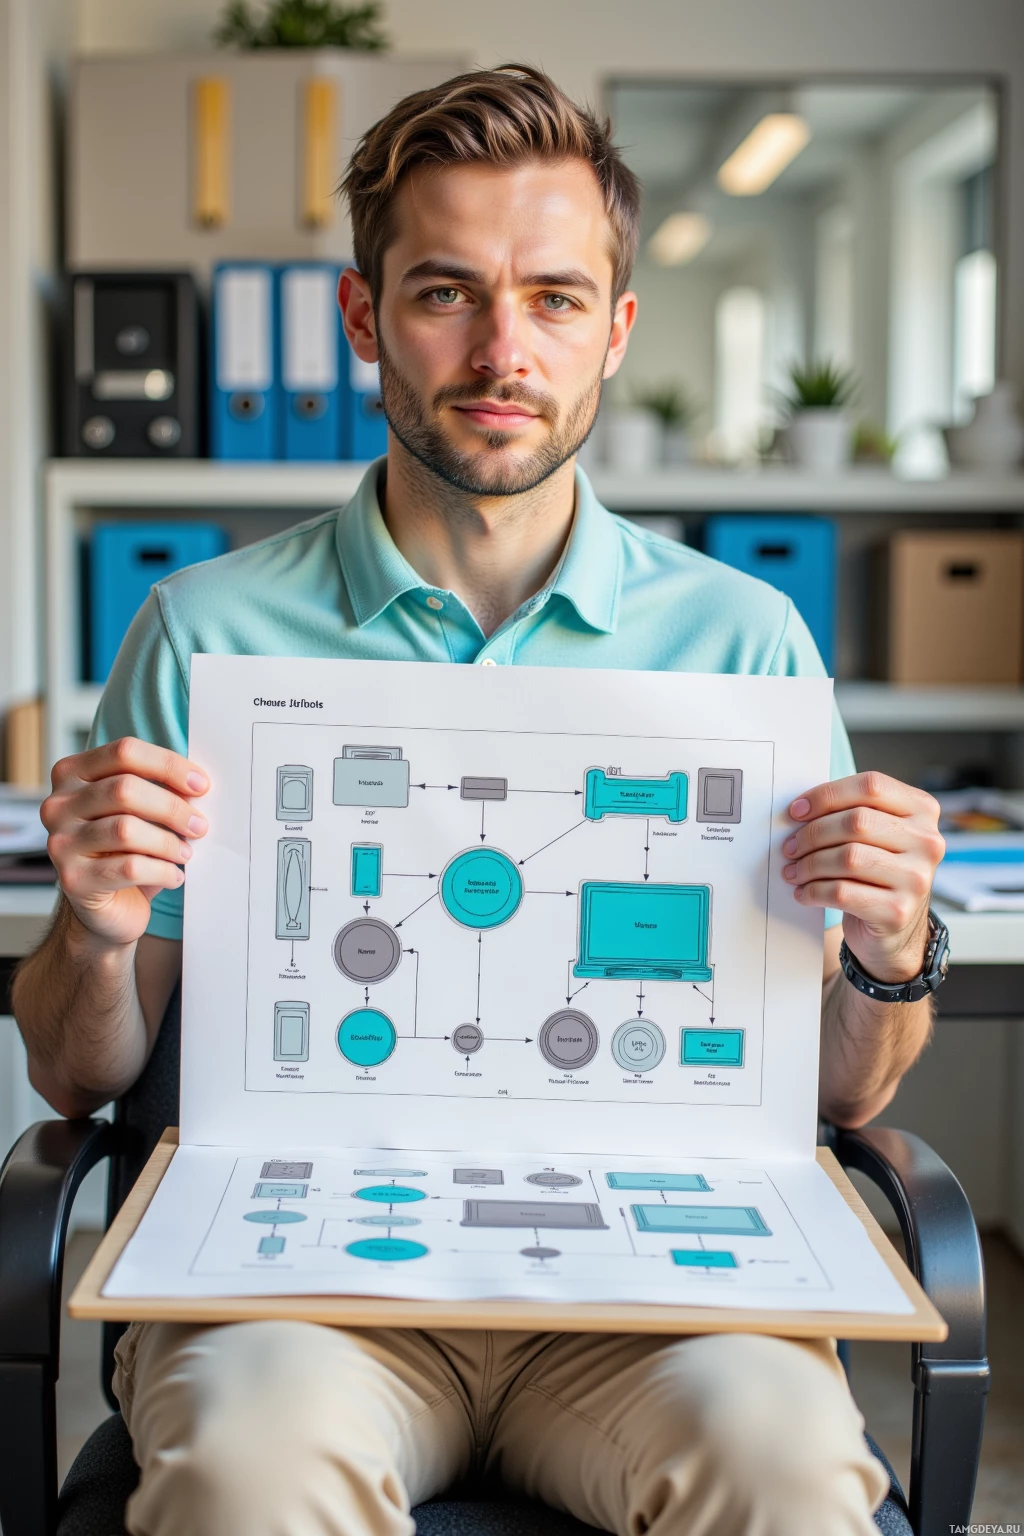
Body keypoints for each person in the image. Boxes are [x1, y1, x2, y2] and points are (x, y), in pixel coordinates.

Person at [14, 64, 945, 1536]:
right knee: (253, 1479)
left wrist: (895, 947)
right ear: (362, 317)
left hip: (656, 1299)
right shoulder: (204, 633)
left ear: (616, 332)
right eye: (447, 291)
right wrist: (103, 933)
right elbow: (76, 1077)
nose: (503, 348)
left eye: (557, 299)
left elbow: (845, 1090)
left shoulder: (748, 644)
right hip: (308, 1287)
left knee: (791, 1472)